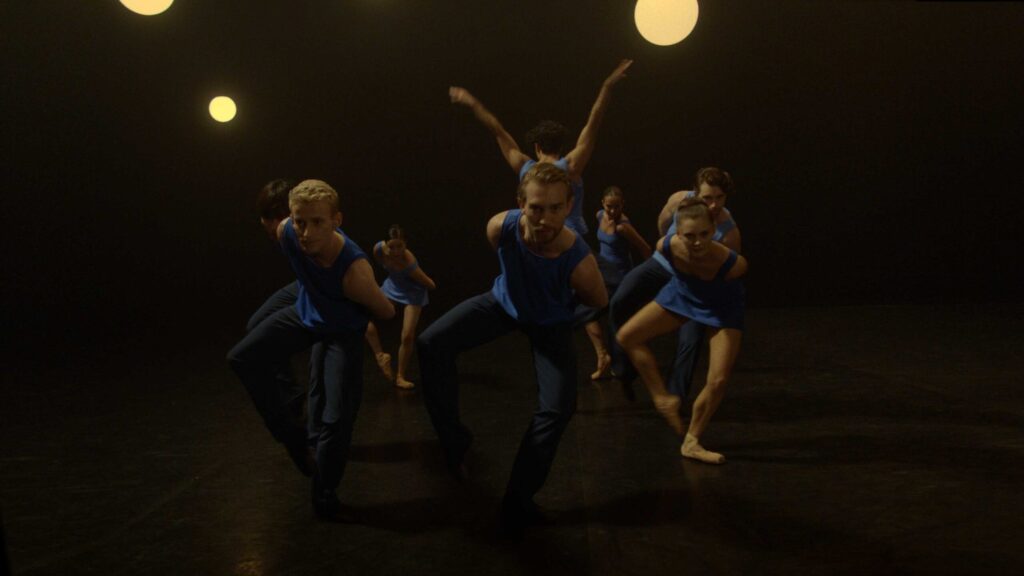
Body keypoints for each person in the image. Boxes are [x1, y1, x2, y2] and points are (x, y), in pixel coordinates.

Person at [416, 163, 607, 537]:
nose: (545, 218)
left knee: (559, 408)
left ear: (569, 207)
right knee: (431, 344)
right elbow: (511, 261)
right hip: (504, 304)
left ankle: (518, 500)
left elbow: (598, 300)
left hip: (551, 323)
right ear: (521, 204)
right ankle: (455, 443)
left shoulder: (579, 260)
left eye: (555, 208)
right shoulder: (500, 227)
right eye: (536, 208)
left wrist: (561, 320)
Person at [227, 179, 395, 520]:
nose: (305, 232)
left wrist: (350, 309)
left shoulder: (354, 272)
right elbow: (303, 266)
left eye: (317, 222)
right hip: (306, 312)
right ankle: (292, 436)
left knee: (337, 416)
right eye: (300, 221)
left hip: (341, 332)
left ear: (337, 221)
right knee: (242, 357)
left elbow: (387, 311)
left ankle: (325, 489)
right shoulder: (286, 232)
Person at [616, 198, 747, 464]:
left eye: (704, 234)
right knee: (626, 336)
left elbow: (732, 295)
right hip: (683, 294)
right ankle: (663, 398)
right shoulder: (666, 246)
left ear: (713, 231)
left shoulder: (734, 263)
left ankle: (692, 441)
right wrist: (660, 394)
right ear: (677, 233)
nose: (698, 242)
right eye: (689, 235)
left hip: (722, 306)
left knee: (718, 379)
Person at [448, 59, 633, 234]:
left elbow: (497, 130)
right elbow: (594, 122)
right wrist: (607, 86)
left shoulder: (525, 167)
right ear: (560, 147)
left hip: (535, 238)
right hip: (569, 239)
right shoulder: (570, 166)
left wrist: (472, 102)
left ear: (537, 147)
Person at [609, 167, 741, 397]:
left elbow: (729, 272)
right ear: (694, 192)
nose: (713, 205)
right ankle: (624, 368)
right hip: (661, 265)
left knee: (689, 339)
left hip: (692, 282)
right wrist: (670, 250)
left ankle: (675, 397)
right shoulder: (679, 200)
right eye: (707, 197)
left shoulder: (728, 231)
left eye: (719, 198)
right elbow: (663, 224)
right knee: (620, 300)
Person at [584, 186, 651, 380]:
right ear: (602, 204)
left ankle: (620, 365)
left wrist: (645, 278)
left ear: (623, 205)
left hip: (620, 278)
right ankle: (603, 356)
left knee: (615, 319)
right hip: (603, 274)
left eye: (617, 207)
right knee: (586, 313)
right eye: (609, 207)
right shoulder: (599, 216)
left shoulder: (623, 226)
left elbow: (645, 249)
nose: (612, 211)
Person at [363, 224, 437, 389]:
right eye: (392, 247)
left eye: (400, 246)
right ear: (385, 244)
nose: (396, 251)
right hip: (393, 287)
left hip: (413, 293)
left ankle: (400, 376)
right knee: (362, 316)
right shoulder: (379, 250)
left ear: (406, 244)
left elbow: (431, 285)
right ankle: (380, 356)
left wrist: (421, 280)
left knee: (407, 336)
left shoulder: (409, 264)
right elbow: (377, 255)